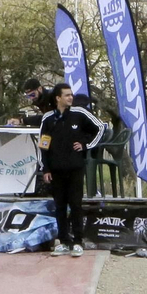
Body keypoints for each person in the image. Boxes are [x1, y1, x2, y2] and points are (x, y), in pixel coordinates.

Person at [38, 84, 107, 257]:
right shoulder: (48, 118)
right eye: (66, 95)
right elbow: (43, 144)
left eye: (71, 95)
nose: (70, 98)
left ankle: (78, 241)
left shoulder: (79, 114)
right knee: (60, 206)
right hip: (55, 170)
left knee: (75, 205)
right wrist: (45, 168)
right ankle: (63, 241)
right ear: (57, 98)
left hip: (75, 168)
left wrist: (86, 144)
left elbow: (100, 128)